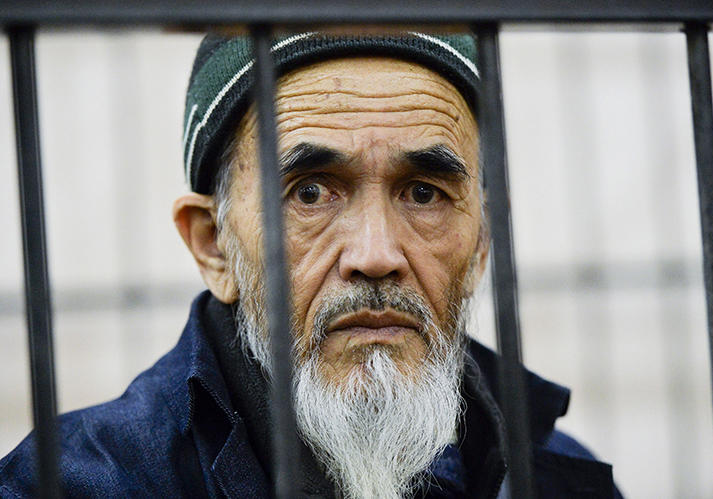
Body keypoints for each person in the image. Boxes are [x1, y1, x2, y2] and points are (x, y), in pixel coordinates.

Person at [0, 32, 620, 498]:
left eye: (424, 193)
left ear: (482, 240)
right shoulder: (82, 484)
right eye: (310, 193)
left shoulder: (553, 475)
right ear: (214, 246)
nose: (376, 256)